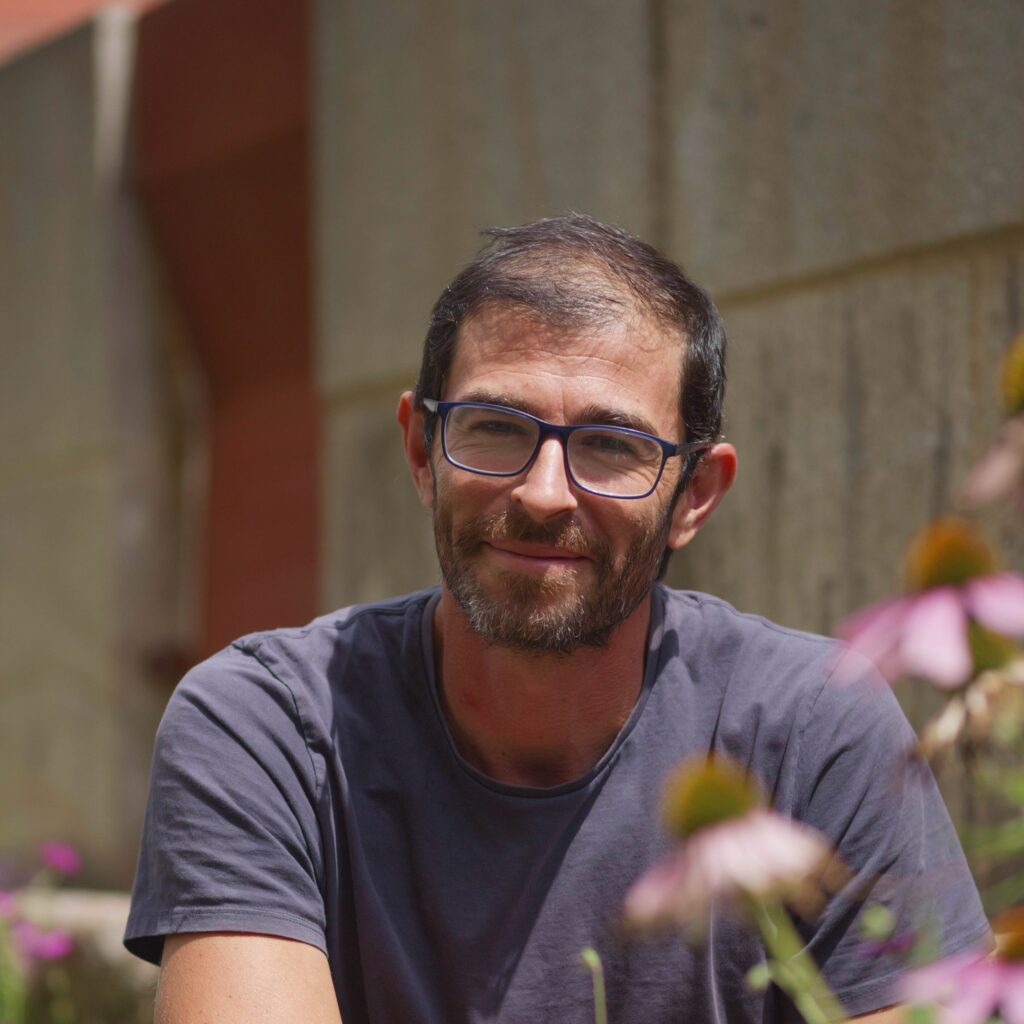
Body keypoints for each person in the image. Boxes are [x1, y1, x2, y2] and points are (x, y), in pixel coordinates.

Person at [124, 214, 988, 1023]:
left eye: (612, 445)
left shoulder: (814, 732)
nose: (543, 494)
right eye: (495, 427)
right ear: (422, 450)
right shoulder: (268, 728)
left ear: (694, 495)